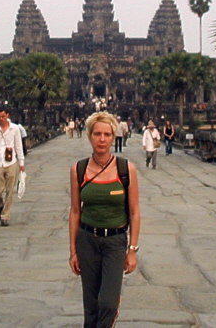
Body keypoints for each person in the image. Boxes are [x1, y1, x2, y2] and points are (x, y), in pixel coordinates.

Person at [69, 112, 141, 327]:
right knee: (90, 305)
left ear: (113, 137)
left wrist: (132, 250)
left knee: (108, 303)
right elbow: (74, 211)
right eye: (97, 134)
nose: (102, 139)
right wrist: (73, 250)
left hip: (115, 242)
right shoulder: (78, 169)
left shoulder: (126, 169)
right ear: (89, 136)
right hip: (87, 240)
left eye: (107, 134)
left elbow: (135, 212)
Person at [0, 105, 25, 226]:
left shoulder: (15, 129)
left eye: (3, 116)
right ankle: (0, 205)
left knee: (9, 191)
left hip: (11, 162)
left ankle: (5, 216)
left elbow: (18, 145)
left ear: (8, 116)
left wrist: (21, 162)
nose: (1, 119)